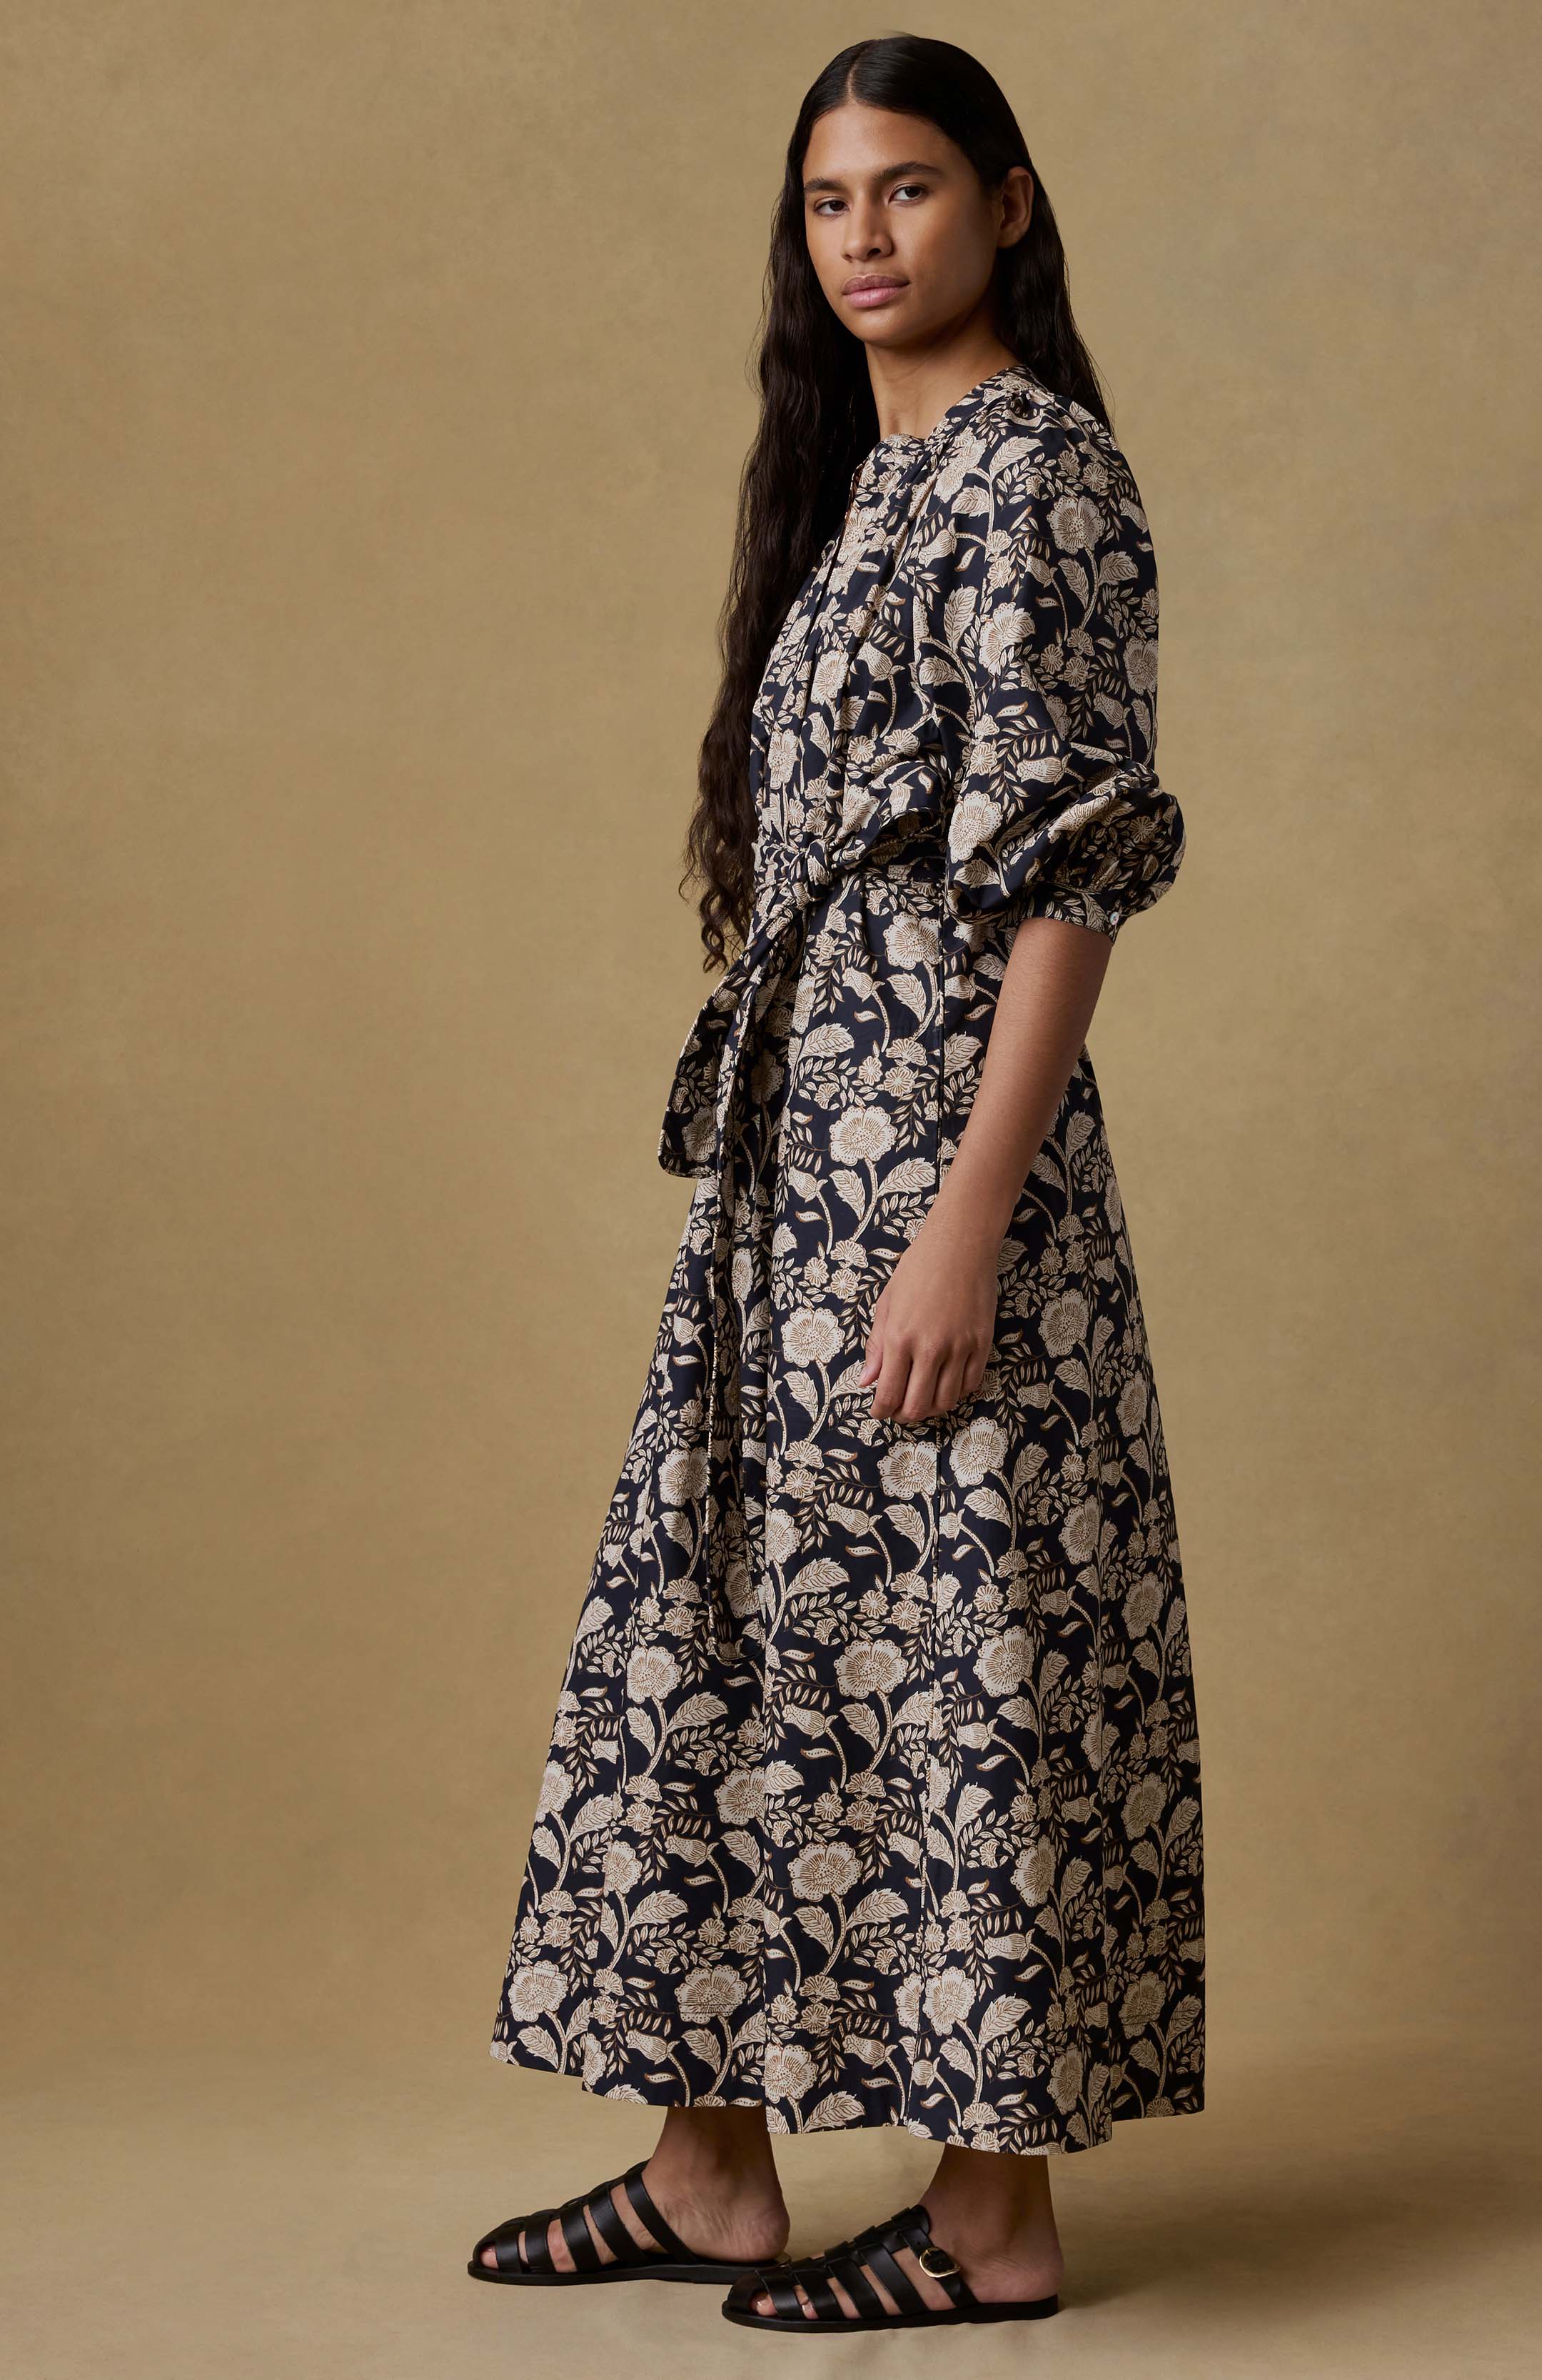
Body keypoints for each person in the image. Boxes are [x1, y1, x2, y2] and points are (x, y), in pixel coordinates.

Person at [468, 32, 1205, 2335]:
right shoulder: (868, 488)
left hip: (937, 1161)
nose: (865, 234)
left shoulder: (1032, 476)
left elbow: (1068, 878)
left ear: (1004, 202)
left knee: (960, 1654)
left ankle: (992, 2223)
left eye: (904, 188)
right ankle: (708, 2172)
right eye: (825, 201)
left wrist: (966, 1216)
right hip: (802, 1166)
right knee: (725, 1638)